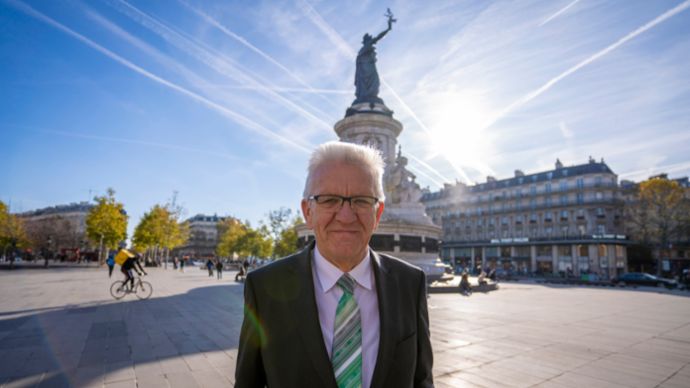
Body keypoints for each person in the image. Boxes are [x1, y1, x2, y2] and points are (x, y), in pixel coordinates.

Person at [235, 141, 433, 388]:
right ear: (308, 211)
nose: (346, 216)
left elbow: (422, 380)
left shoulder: (410, 283)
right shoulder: (264, 287)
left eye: (361, 200)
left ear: (378, 213)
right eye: (329, 200)